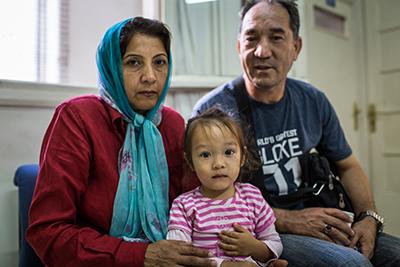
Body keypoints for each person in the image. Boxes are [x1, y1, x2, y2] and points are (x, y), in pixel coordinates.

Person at [192, 0, 400, 266]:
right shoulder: (213, 110)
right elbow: (204, 200)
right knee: (351, 264)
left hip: (319, 218)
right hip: (259, 231)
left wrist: (368, 217)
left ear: (296, 47)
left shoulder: (313, 100)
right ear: (238, 47)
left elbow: (348, 166)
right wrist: (289, 219)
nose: (262, 51)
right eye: (251, 38)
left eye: (276, 37)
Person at [26, 17, 217, 267]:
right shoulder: (77, 118)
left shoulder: (171, 124)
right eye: (134, 62)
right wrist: (141, 255)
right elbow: (48, 232)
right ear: (111, 68)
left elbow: (198, 208)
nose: (150, 77)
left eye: (159, 62)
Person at [167, 108, 286, 267]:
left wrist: (256, 248)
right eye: (205, 155)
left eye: (228, 152)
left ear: (242, 157)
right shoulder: (184, 205)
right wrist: (223, 265)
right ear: (190, 162)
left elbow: (274, 242)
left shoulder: (252, 196)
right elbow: (180, 254)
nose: (218, 164)